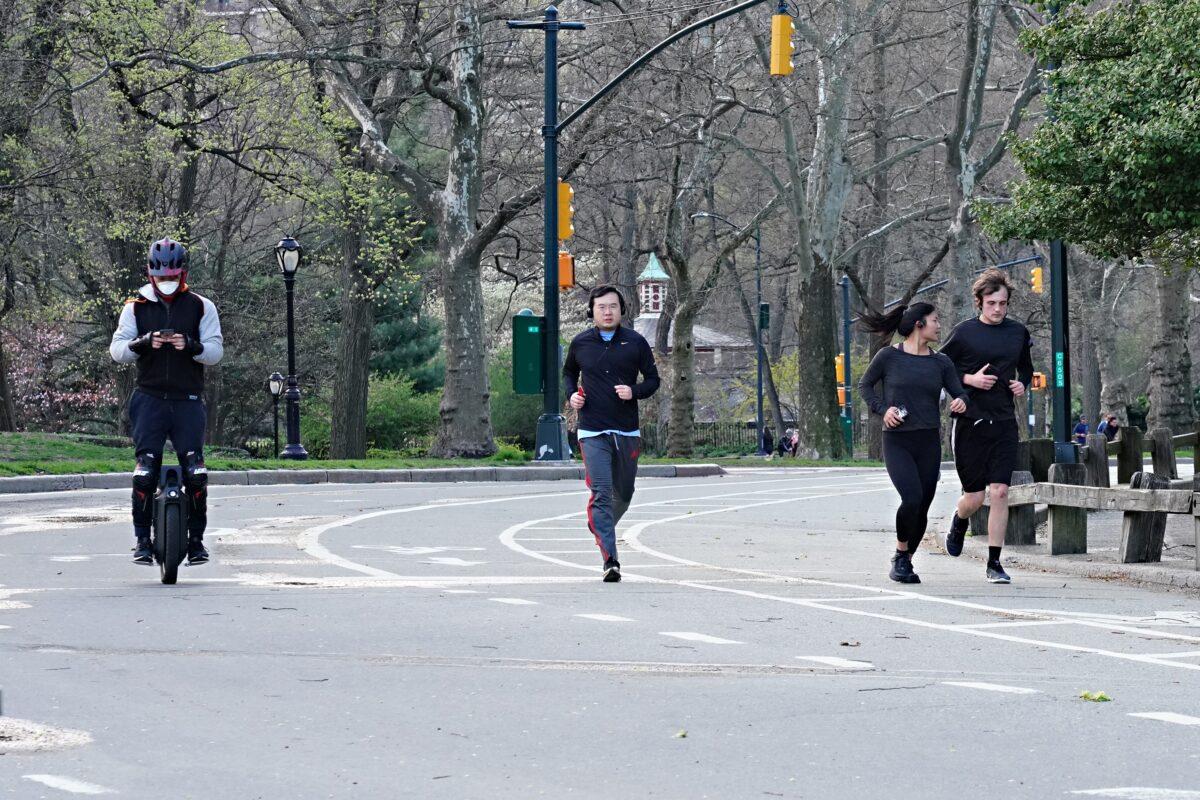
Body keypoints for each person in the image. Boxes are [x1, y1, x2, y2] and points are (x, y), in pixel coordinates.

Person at [110, 238, 224, 566]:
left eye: (172, 277)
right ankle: (142, 540)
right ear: (150, 275)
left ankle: (197, 541)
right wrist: (143, 342)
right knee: (145, 472)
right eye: (161, 278)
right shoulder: (135, 307)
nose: (166, 284)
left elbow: (216, 352)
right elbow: (117, 351)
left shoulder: (202, 306)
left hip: (187, 399)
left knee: (196, 472)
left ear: (183, 274)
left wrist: (190, 345)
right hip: (149, 399)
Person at [858, 302, 968, 583]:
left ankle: (906, 560)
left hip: (928, 441)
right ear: (919, 324)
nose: (939, 325)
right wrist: (884, 410)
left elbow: (960, 393)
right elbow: (865, 386)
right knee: (912, 498)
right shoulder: (888, 357)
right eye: (935, 320)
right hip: (897, 441)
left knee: (923, 505)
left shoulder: (941, 362)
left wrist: (959, 401)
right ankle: (900, 553)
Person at [940, 268, 1033, 584]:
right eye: (992, 303)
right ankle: (959, 519)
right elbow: (940, 367)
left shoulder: (1018, 332)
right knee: (975, 498)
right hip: (970, 421)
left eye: (1003, 303)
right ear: (979, 302)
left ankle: (995, 563)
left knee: (1001, 491)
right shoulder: (964, 333)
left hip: (1004, 421)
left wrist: (1023, 385)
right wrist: (969, 379)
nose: (998, 309)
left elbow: (1027, 370)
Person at [563, 285, 660, 583]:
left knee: (625, 493)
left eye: (613, 307)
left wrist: (634, 391)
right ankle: (610, 560)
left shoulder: (636, 342)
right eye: (602, 307)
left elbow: (653, 380)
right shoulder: (581, 343)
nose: (608, 312)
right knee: (602, 493)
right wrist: (572, 396)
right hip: (592, 430)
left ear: (621, 310)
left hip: (626, 429)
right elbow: (568, 374)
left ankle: (600, 523)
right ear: (592, 310)